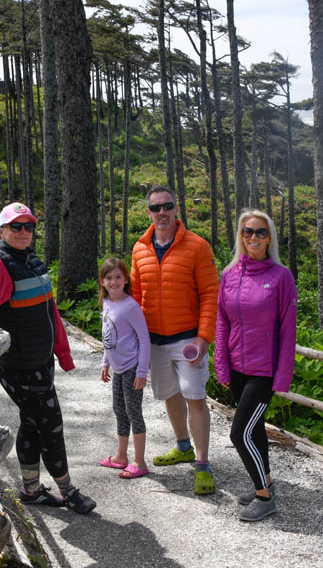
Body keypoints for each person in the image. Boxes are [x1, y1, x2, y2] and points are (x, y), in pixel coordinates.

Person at [0, 202, 96, 514]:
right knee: (51, 425)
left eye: (29, 226)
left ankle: (31, 489)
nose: (23, 232)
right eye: (16, 226)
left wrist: (63, 353)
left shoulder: (32, 261)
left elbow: (51, 313)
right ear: (1, 231)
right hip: (19, 364)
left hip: (40, 360)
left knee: (32, 422)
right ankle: (67, 490)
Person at [130, 185, 220, 495]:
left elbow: (210, 294)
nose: (162, 212)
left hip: (188, 340)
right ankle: (183, 446)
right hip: (154, 342)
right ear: (149, 213)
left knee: (195, 397)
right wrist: (135, 340)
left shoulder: (198, 246)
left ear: (176, 209)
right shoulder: (139, 248)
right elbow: (135, 297)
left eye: (167, 206)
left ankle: (203, 464)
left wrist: (204, 338)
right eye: (156, 208)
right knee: (169, 393)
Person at [215, 209, 298, 522]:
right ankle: (265, 481)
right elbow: (222, 323)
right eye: (248, 231)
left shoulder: (281, 277)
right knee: (256, 429)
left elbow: (288, 331)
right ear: (240, 236)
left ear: (270, 238)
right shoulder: (229, 275)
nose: (253, 237)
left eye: (261, 232)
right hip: (237, 367)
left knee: (240, 433)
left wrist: (283, 376)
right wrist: (221, 365)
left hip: (264, 371)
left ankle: (265, 497)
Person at [97, 258, 151, 479]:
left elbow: (144, 340)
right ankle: (121, 456)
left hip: (132, 367)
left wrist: (141, 372)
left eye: (118, 277)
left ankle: (140, 462)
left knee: (133, 412)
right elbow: (108, 336)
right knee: (119, 410)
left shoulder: (130, 306)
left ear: (126, 280)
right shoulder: (107, 302)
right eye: (109, 278)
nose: (114, 281)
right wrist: (105, 362)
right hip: (117, 368)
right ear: (102, 281)